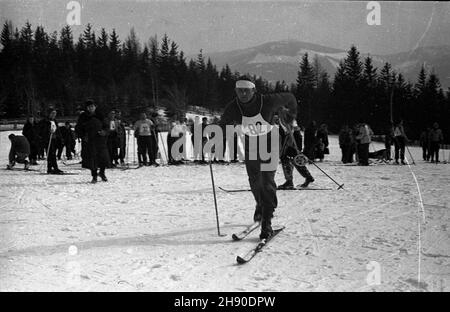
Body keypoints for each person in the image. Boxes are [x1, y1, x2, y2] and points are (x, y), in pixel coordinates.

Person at [218, 78, 297, 239]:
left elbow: (290, 98)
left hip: (270, 142)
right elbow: (223, 124)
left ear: (254, 90)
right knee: (254, 180)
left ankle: (267, 222)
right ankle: (260, 206)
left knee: (267, 181)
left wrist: (291, 115)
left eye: (247, 90)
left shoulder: (268, 101)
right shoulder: (233, 107)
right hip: (251, 144)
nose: (243, 94)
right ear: (236, 91)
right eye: (240, 90)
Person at [76, 100, 110, 183]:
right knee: (92, 159)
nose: (91, 108)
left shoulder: (100, 115)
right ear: (87, 108)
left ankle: (102, 173)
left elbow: (106, 126)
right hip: (89, 141)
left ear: (95, 107)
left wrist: (104, 132)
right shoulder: (83, 116)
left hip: (100, 140)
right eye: (89, 107)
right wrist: (83, 136)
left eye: (92, 106)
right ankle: (94, 175)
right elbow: (78, 128)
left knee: (103, 158)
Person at [277, 116, 315, 189]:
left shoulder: (285, 115)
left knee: (287, 160)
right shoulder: (285, 115)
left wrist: (294, 147)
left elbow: (291, 131)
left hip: (291, 141)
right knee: (296, 160)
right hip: (292, 139)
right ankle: (308, 177)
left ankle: (289, 181)